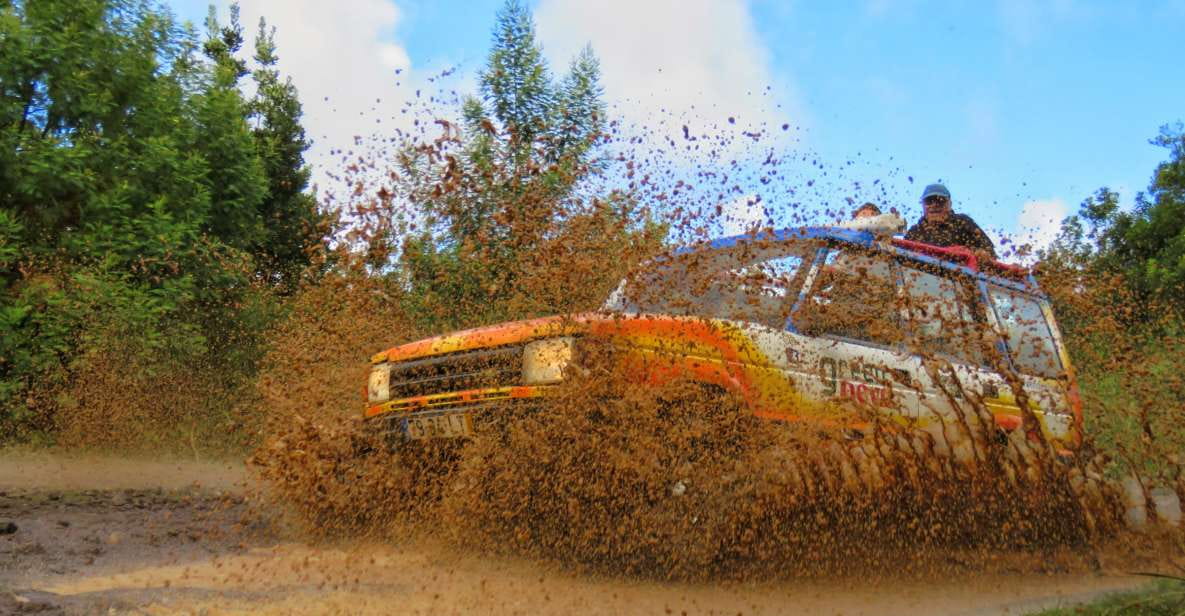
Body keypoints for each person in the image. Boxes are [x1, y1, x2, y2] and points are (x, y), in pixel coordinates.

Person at [904, 183, 997, 258]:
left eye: (940, 201)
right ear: (923, 205)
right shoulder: (914, 232)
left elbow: (989, 251)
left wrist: (981, 254)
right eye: (929, 201)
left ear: (950, 204)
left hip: (960, 277)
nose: (934, 205)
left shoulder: (962, 222)